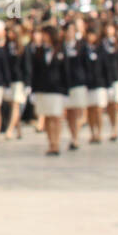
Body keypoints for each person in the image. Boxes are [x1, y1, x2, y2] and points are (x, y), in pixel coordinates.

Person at [31, 26, 66, 155]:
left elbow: (64, 70)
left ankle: (56, 142)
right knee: (47, 117)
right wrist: (33, 90)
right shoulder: (39, 50)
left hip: (57, 88)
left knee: (56, 117)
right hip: (43, 88)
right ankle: (50, 142)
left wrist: (66, 90)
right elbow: (35, 72)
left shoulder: (60, 50)